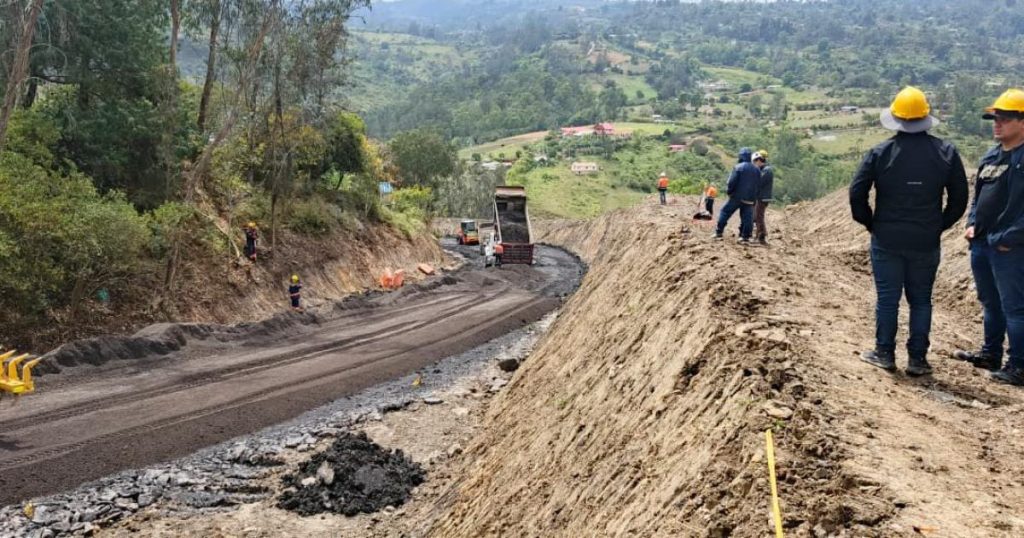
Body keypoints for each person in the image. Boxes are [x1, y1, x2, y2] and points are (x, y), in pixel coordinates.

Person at [850, 86, 969, 376]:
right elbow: (960, 199)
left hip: (887, 238)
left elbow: (857, 193)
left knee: (888, 298)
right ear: (926, 117)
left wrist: (871, 223)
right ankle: (917, 359)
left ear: (896, 118)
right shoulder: (946, 152)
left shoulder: (880, 153)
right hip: (925, 240)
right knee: (921, 300)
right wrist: (938, 225)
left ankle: (884, 353)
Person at [954, 88, 1024, 387]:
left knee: (1015, 307)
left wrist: (1008, 237)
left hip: (1011, 247)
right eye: (994, 118)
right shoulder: (992, 155)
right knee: (990, 301)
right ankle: (990, 354)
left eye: (1004, 118)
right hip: (983, 243)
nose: (997, 123)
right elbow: (978, 197)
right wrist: (972, 223)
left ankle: (1019, 366)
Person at [713, 147, 760, 244]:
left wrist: (730, 192)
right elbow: (758, 185)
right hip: (750, 199)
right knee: (747, 218)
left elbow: (731, 182)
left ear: (741, 156)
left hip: (736, 197)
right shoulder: (757, 170)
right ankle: (745, 238)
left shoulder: (738, 167)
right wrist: (754, 198)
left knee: (725, 212)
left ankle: (719, 233)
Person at [752, 151, 774, 246]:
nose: (754, 164)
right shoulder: (764, 170)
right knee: (757, 216)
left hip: (763, 198)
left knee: (758, 217)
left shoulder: (767, 170)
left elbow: (759, 182)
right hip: (760, 197)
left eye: (754, 162)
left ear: (759, 160)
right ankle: (758, 236)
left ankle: (762, 236)